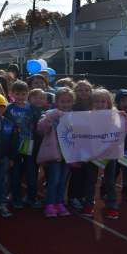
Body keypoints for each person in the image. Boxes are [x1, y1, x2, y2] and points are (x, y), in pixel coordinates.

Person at [82, 89, 120, 219]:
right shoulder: (87, 116)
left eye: (103, 101)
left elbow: (120, 132)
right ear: (92, 103)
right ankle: (88, 204)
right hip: (92, 154)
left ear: (108, 103)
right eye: (96, 101)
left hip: (109, 154)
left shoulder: (115, 116)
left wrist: (123, 119)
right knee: (90, 180)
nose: (100, 104)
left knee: (109, 181)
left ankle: (112, 206)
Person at [36, 87, 74, 218]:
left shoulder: (74, 116)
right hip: (55, 154)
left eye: (69, 101)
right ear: (57, 102)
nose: (66, 104)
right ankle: (50, 204)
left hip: (67, 155)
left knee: (63, 181)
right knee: (54, 180)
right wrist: (49, 118)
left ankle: (59, 203)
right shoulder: (50, 113)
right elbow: (41, 129)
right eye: (62, 101)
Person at [5, 81, 42, 210]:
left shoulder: (31, 107)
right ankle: (16, 198)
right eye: (17, 94)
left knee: (31, 172)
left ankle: (31, 198)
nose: (20, 96)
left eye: (23, 94)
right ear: (12, 94)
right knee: (15, 172)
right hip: (14, 144)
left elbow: (39, 122)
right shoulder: (8, 108)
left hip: (28, 143)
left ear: (28, 93)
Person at [67, 80, 91, 209]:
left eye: (87, 90)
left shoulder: (94, 105)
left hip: (90, 144)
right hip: (76, 144)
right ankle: (72, 197)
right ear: (75, 92)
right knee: (76, 172)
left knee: (88, 172)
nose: (84, 92)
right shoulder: (72, 106)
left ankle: (82, 195)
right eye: (80, 90)